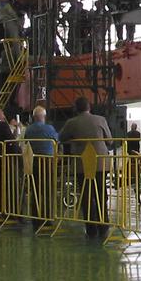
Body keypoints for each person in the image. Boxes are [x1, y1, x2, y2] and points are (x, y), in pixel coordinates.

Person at [60, 96, 113, 238]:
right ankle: (104, 224)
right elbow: (109, 140)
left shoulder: (72, 122)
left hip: (82, 164)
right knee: (101, 193)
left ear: (76, 109)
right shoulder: (100, 120)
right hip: (101, 162)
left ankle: (91, 228)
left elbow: (61, 138)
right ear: (89, 107)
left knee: (86, 195)